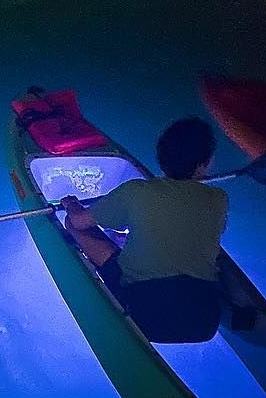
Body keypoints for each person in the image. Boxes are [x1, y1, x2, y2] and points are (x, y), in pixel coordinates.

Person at [58, 117, 250, 342]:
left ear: (161, 158)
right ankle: (239, 304)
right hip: (205, 321)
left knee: (73, 225)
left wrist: (71, 204)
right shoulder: (218, 198)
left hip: (145, 316)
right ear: (205, 163)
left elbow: (81, 221)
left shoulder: (136, 191)